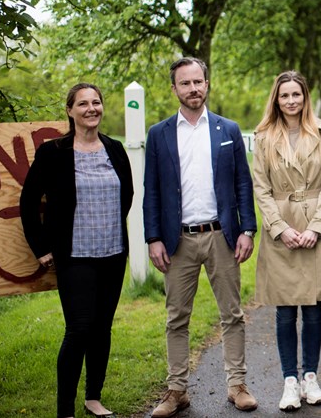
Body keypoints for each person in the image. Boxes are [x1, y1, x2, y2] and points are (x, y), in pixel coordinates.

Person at [144, 57, 258, 417]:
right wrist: (153, 238)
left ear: (207, 84)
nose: (193, 89)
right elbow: (152, 191)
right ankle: (177, 390)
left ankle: (237, 385)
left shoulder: (228, 130)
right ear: (174, 88)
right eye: (185, 83)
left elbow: (243, 182)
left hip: (222, 235)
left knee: (232, 314)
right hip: (177, 240)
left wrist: (247, 229)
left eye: (199, 82)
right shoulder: (159, 134)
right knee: (176, 317)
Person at [20, 83, 134, 418]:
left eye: (96, 102)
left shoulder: (114, 149)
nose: (91, 109)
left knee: (102, 328)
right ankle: (64, 409)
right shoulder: (53, 151)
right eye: (82, 103)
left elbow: (126, 195)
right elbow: (28, 201)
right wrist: (40, 247)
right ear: (70, 110)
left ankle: (93, 398)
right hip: (74, 256)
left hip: (113, 253)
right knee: (79, 329)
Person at [250, 71, 321, 411]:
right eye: (284, 95)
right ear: (276, 100)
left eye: (297, 95)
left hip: (315, 227)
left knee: (313, 306)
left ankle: (311, 377)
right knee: (284, 307)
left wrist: (316, 226)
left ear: (305, 98)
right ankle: (289, 380)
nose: (291, 101)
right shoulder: (263, 137)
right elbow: (260, 188)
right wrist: (279, 227)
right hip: (282, 228)